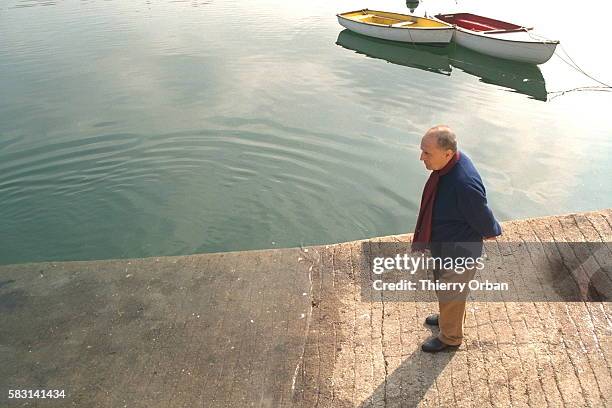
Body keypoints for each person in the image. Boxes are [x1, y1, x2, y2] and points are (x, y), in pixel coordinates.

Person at [412, 125, 502, 352]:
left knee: (452, 291)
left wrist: (492, 230)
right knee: (446, 289)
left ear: (448, 154)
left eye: (426, 153)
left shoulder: (464, 183)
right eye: (422, 151)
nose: (421, 157)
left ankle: (450, 338)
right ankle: (447, 318)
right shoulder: (450, 166)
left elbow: (481, 213)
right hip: (443, 242)